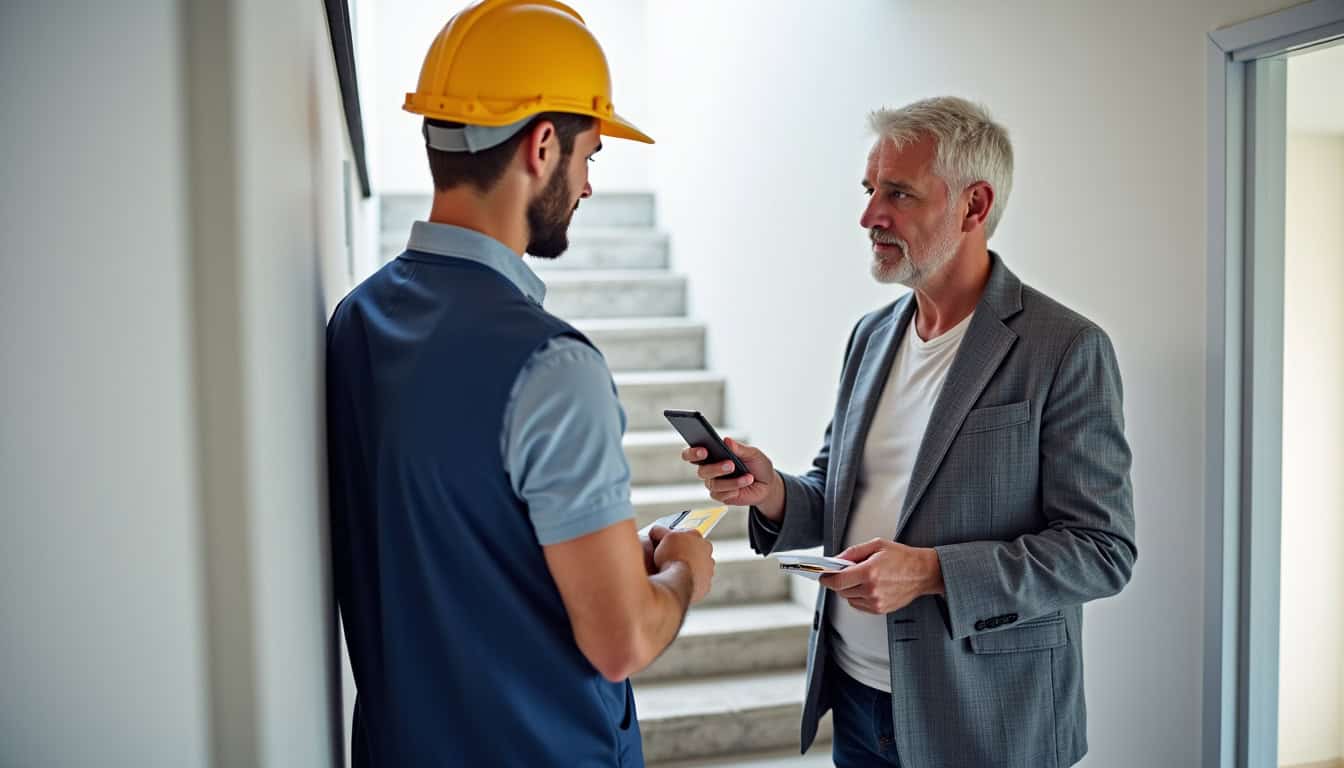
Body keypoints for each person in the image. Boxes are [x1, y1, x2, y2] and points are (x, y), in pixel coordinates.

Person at [684, 96, 1136, 768]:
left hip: (987, 717)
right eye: (870, 191)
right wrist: (773, 490)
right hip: (858, 702)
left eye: (897, 193)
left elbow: (1101, 550)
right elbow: (842, 493)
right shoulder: (871, 337)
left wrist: (929, 574)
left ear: (973, 206)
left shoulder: (1066, 348)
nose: (869, 215)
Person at [326, 2, 713, 765]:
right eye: (590, 157)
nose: (590, 187)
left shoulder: (356, 320)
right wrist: (681, 575)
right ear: (543, 145)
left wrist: (602, 556)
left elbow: (450, 545)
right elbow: (621, 641)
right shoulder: (553, 366)